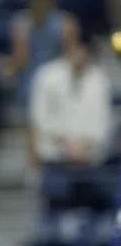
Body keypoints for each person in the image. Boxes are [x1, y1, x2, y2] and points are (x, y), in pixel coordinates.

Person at [29, 19, 112, 170]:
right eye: (75, 47)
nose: (79, 53)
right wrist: (67, 144)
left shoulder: (99, 80)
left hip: (90, 159)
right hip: (54, 157)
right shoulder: (47, 75)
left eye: (83, 48)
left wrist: (83, 145)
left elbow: (102, 121)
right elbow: (40, 118)